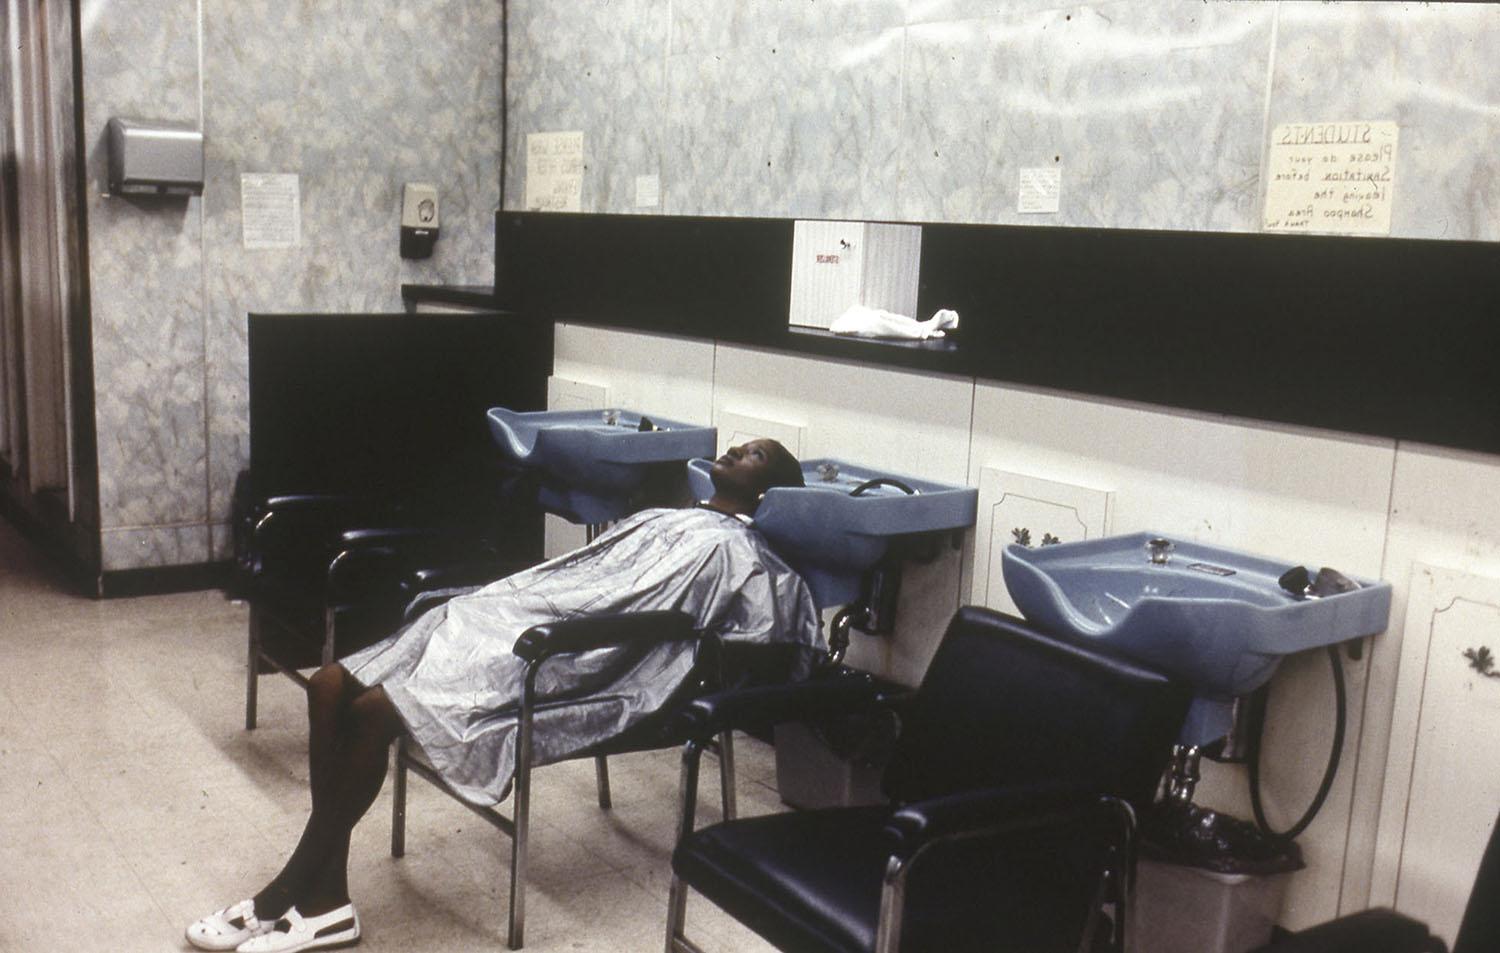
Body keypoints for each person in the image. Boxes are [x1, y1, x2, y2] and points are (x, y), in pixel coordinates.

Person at [187, 439, 820, 953]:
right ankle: (326, 900)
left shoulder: (738, 550)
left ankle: (289, 893)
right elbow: (579, 574)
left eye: (755, 455)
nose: (736, 449)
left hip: (570, 651)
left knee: (378, 710)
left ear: (770, 493)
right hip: (502, 615)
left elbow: (767, 632)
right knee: (328, 685)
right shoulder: (671, 515)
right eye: (742, 444)